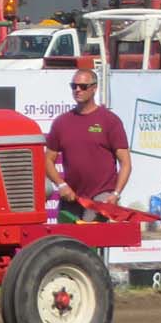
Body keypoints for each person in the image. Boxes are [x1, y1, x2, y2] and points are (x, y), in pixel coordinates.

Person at [44, 69, 130, 222]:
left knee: (90, 240)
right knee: (66, 241)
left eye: (83, 86)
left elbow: (125, 163)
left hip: (101, 195)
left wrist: (115, 194)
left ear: (94, 88)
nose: (77, 90)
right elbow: (47, 160)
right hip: (72, 196)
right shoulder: (61, 122)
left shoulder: (110, 120)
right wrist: (61, 185)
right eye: (74, 86)